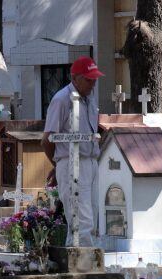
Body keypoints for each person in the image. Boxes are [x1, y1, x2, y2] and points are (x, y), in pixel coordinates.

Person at [41, 56, 103, 247]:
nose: (93, 83)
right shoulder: (61, 99)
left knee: (91, 218)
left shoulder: (89, 99)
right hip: (72, 162)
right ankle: (85, 270)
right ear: (74, 78)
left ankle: (77, 263)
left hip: (90, 162)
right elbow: (47, 139)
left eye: (94, 79)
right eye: (88, 79)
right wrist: (60, 163)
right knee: (82, 221)